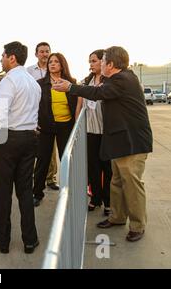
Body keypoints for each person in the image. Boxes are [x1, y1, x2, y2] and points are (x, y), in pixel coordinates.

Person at [52, 46, 153, 242]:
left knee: (131, 184)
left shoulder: (122, 80)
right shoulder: (118, 79)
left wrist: (70, 87)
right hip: (121, 142)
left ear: (111, 65)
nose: (101, 64)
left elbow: (98, 93)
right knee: (116, 182)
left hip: (132, 143)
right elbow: (96, 90)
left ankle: (138, 225)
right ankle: (117, 217)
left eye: (103, 61)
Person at [0, 41, 41, 254]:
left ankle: (3, 241)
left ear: (12, 57)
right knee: (25, 191)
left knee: (2, 193)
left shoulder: (9, 81)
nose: (1, 59)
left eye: (3, 55)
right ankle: (30, 240)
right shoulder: (34, 83)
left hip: (7, 141)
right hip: (29, 138)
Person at [33, 53, 80, 207]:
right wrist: (35, 122)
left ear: (62, 65)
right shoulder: (40, 84)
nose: (52, 64)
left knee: (66, 160)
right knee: (42, 160)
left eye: (56, 62)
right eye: (50, 62)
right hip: (46, 127)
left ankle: (68, 193)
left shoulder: (71, 83)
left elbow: (77, 106)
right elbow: (33, 104)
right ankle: (37, 193)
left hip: (66, 126)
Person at [77, 49, 112, 215]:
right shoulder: (86, 82)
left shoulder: (110, 82)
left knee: (108, 168)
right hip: (90, 131)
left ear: (103, 61)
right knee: (93, 168)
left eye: (94, 61)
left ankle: (108, 202)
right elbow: (80, 105)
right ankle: (95, 199)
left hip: (106, 132)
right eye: (89, 61)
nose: (91, 64)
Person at [27, 42, 58, 189]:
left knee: (51, 151)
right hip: (34, 115)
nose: (45, 54)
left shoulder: (55, 68)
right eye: (42, 51)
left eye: (47, 51)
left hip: (51, 115)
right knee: (34, 149)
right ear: (36, 54)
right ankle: (35, 178)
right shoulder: (29, 71)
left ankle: (51, 178)